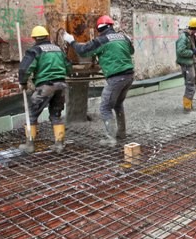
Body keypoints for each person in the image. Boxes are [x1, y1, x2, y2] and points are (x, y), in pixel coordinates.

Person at [62, 15, 134, 146]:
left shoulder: (101, 40)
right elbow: (131, 51)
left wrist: (71, 41)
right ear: (111, 26)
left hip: (116, 77)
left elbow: (83, 51)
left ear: (99, 29)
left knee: (105, 107)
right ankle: (121, 132)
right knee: (118, 104)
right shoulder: (123, 37)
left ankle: (111, 139)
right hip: (129, 76)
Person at [18, 25, 71, 154]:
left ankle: (29, 145)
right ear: (47, 36)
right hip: (61, 85)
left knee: (32, 114)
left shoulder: (35, 51)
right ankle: (59, 144)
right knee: (56, 115)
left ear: (34, 38)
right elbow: (68, 65)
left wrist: (23, 82)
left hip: (45, 86)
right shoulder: (58, 49)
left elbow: (24, 69)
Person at [176, 17, 196, 112]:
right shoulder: (184, 37)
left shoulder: (191, 36)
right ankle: (187, 106)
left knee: (194, 84)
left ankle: (189, 103)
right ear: (195, 28)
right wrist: (192, 52)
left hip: (191, 63)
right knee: (190, 84)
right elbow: (180, 51)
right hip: (186, 64)